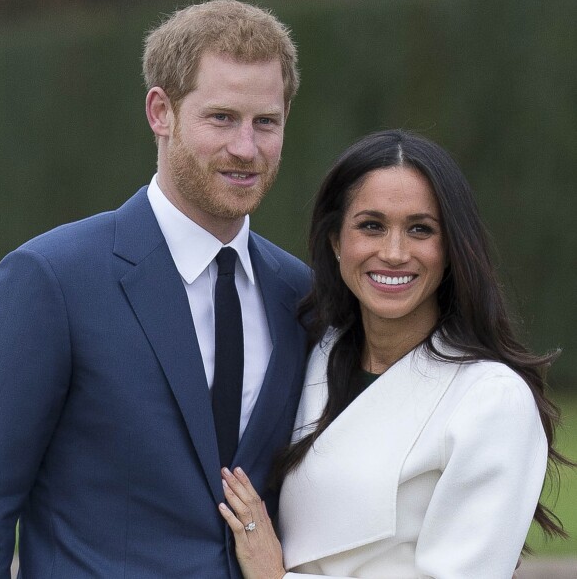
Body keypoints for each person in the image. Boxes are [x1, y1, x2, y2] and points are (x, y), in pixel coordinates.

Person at [0, 0, 311, 577]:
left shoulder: (300, 294)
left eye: (265, 121)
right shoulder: (52, 280)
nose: (246, 147)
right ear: (160, 112)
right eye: (221, 117)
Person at [218, 129, 569, 578]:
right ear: (335, 241)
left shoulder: (492, 400)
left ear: (450, 250)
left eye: (420, 229)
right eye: (371, 226)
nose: (395, 252)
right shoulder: (308, 355)